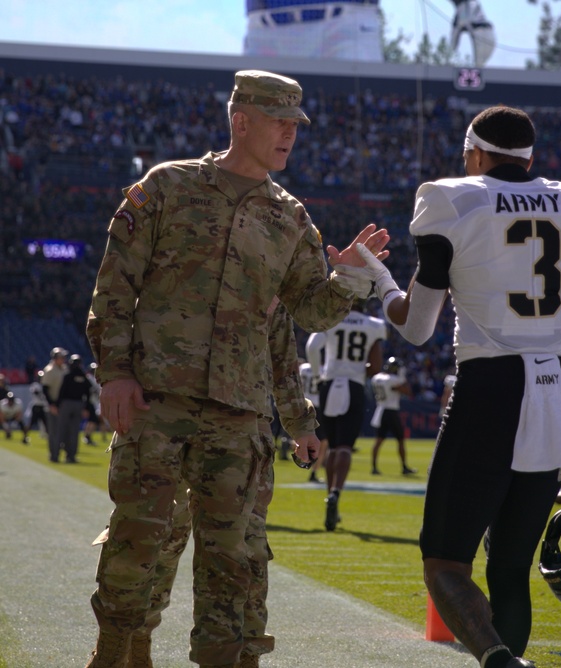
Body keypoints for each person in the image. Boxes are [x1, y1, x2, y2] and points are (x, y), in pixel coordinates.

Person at [84, 68, 389, 668]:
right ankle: (118, 650)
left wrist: (350, 277)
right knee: (139, 540)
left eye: (295, 125)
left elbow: (307, 312)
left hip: (240, 414)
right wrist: (114, 372)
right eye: (279, 122)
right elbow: (114, 285)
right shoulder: (167, 187)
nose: (289, 135)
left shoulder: (290, 218)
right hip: (157, 400)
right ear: (241, 120)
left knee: (236, 559)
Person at [336, 104, 561, 668]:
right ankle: (505, 657)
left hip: (491, 383)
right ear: (529, 156)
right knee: (511, 566)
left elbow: (416, 328)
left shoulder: (452, 197)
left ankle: (499, 660)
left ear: (476, 152)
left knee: (444, 564)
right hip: (557, 386)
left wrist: (380, 281)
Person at [127, 300, 319, 668]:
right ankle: (134, 644)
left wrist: (300, 423)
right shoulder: (177, 246)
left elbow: (282, 355)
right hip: (169, 419)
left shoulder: (267, 259)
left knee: (246, 549)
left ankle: (244, 655)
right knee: (155, 540)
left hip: (245, 428)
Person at [306, 299, 386, 531]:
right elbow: (377, 366)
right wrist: (362, 368)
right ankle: (336, 493)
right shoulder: (373, 324)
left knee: (330, 447)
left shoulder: (333, 318)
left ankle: (330, 497)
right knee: (344, 448)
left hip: (329, 384)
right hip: (353, 386)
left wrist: (320, 375)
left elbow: (312, 347)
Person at [370, 356, 416, 475]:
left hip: (380, 410)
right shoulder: (393, 379)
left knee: (378, 440)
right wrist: (402, 376)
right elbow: (408, 391)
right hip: (391, 411)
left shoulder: (377, 378)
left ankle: (374, 467)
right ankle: (404, 467)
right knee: (400, 440)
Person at [53, 354, 94, 463]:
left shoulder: (68, 375)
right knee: (74, 431)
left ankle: (55, 455)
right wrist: (86, 407)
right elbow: (89, 392)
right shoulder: (83, 376)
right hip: (79, 404)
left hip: (66, 404)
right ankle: (71, 456)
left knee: (61, 430)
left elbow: (61, 392)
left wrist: (57, 405)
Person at [299, 357, 327, 483]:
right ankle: (314, 472)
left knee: (303, 435)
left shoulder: (303, 368)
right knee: (323, 442)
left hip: (302, 404)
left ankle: (291, 447)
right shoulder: (323, 369)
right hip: (316, 407)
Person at [40, 346, 67, 461]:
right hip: (53, 404)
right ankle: (54, 455)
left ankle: (63, 453)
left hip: (63, 403)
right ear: (55, 358)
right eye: (61, 357)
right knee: (54, 431)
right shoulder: (50, 370)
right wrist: (51, 404)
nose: (64, 359)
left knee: (63, 431)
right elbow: (45, 389)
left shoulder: (65, 369)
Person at [26, 370, 48, 437]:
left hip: (43, 406)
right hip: (36, 406)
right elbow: (36, 393)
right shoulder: (35, 385)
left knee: (46, 423)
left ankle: (50, 437)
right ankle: (25, 436)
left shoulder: (45, 385)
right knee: (31, 423)